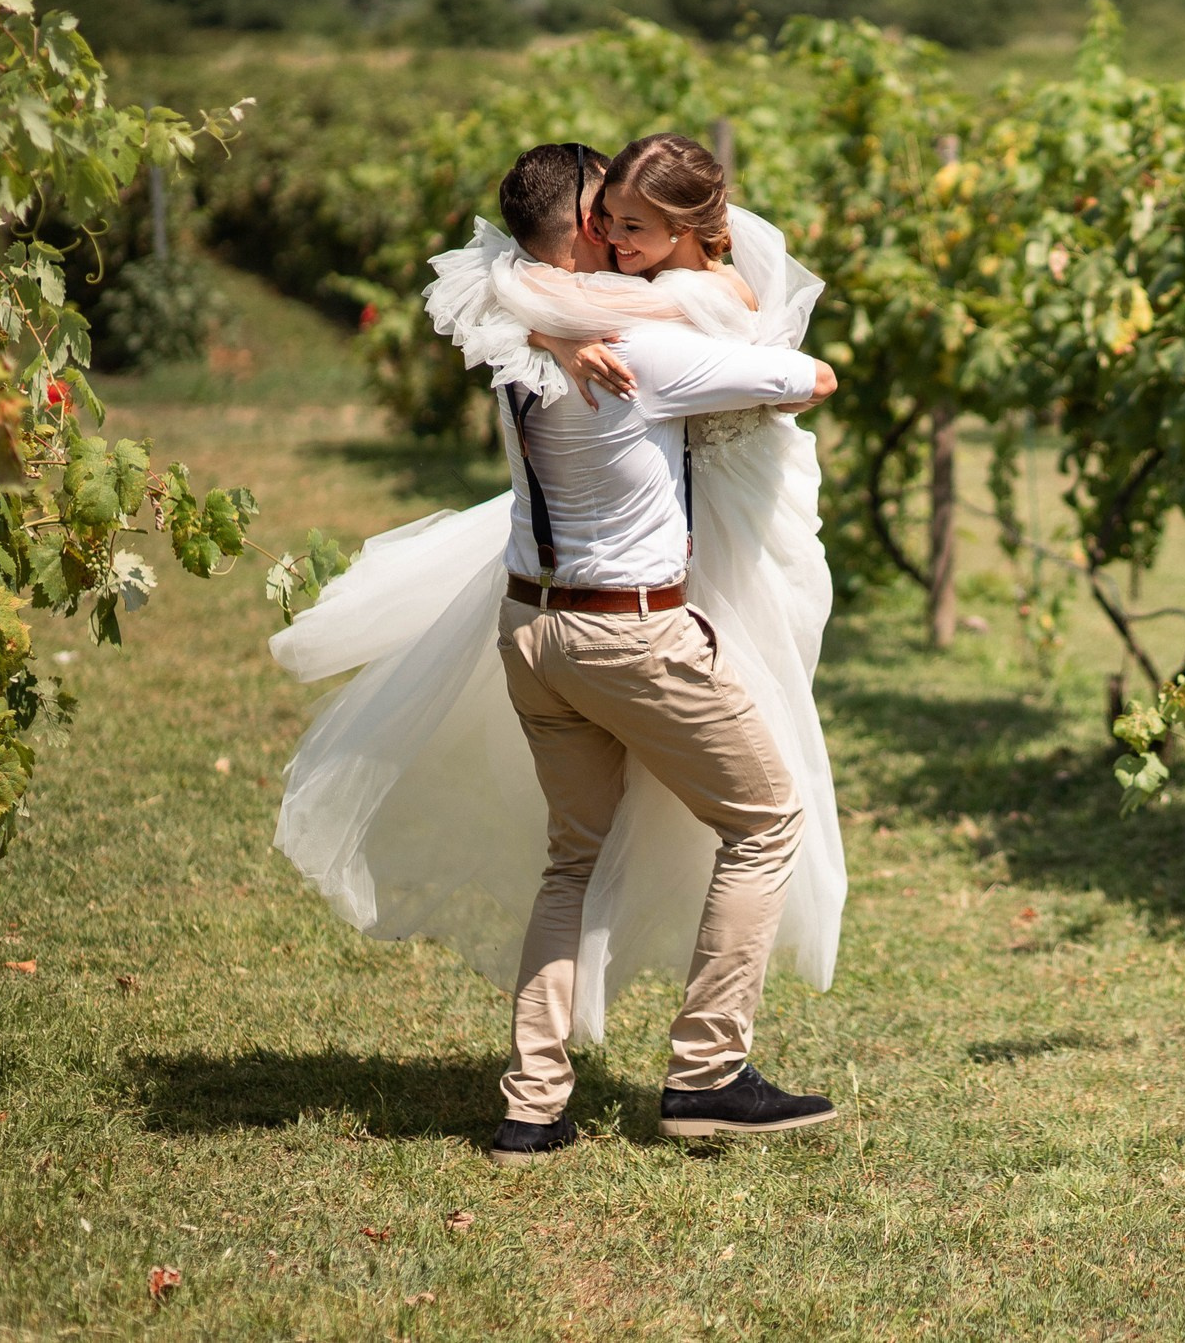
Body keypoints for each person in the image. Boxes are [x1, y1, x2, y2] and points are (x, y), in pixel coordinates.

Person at [272, 137, 847, 1164]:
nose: (625, 237)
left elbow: (509, 295)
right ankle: (709, 1075)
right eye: (613, 218)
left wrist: (571, 312)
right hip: (629, 634)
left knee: (570, 860)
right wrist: (690, 294)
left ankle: (532, 1107)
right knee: (766, 821)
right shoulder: (651, 353)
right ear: (588, 229)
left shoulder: (516, 342)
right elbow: (811, 376)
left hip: (529, 629)